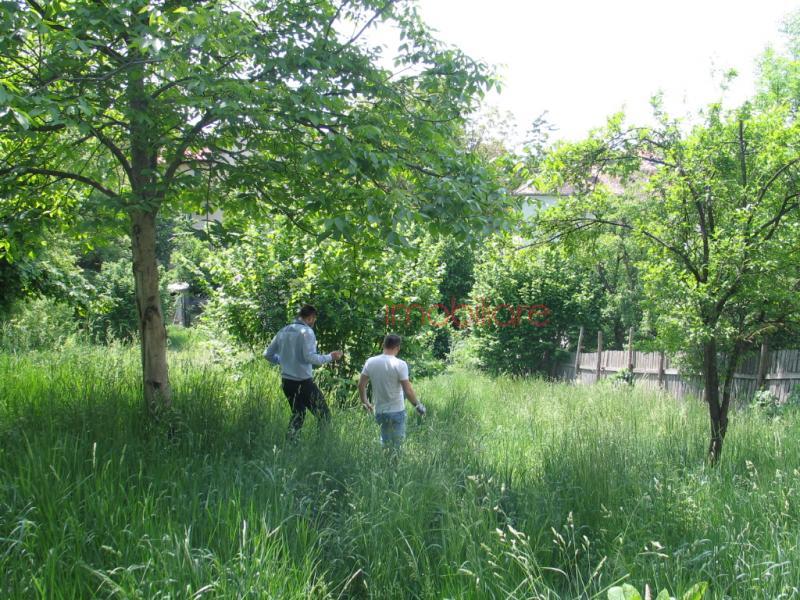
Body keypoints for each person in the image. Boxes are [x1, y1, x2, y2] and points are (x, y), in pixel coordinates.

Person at [264, 304, 343, 438]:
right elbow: (310, 357)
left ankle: (290, 444)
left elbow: (267, 354)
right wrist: (331, 357)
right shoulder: (307, 332)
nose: (314, 322)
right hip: (303, 383)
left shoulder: (283, 331)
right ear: (311, 317)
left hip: (287, 382)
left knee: (298, 414)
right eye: (314, 319)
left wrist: (283, 360)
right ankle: (322, 446)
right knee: (324, 416)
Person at [358, 334, 425, 448]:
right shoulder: (400, 364)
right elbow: (407, 390)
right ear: (398, 348)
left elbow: (361, 385)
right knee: (397, 446)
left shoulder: (370, 362)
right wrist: (418, 406)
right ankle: (393, 465)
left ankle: (385, 465)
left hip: (379, 411)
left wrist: (366, 402)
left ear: (383, 345)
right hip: (396, 411)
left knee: (385, 442)